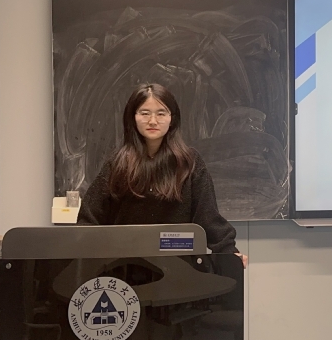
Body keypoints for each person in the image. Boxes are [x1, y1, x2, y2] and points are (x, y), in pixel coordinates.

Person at [77, 83, 247, 267]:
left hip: (180, 271)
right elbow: (88, 221)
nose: (153, 121)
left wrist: (229, 253)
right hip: (123, 270)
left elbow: (208, 218)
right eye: (144, 113)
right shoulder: (117, 164)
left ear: (172, 118)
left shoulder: (189, 163)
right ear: (132, 117)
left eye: (161, 113)